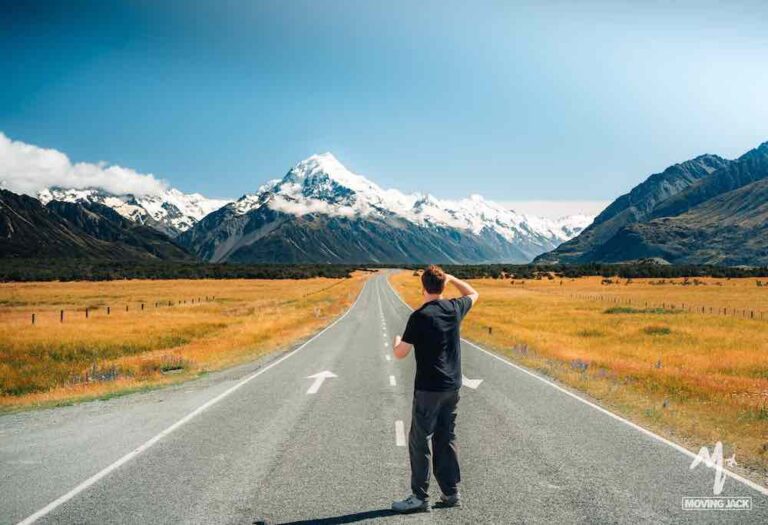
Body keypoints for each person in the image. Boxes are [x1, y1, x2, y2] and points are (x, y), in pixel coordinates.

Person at [391, 265, 479, 513]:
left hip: (428, 389)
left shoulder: (419, 317)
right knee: (446, 437)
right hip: (452, 386)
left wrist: (396, 341)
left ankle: (419, 497)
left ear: (423, 288)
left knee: (420, 442)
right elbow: (474, 294)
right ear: (442, 286)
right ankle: (451, 493)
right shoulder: (454, 308)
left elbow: (400, 353)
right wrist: (453, 279)